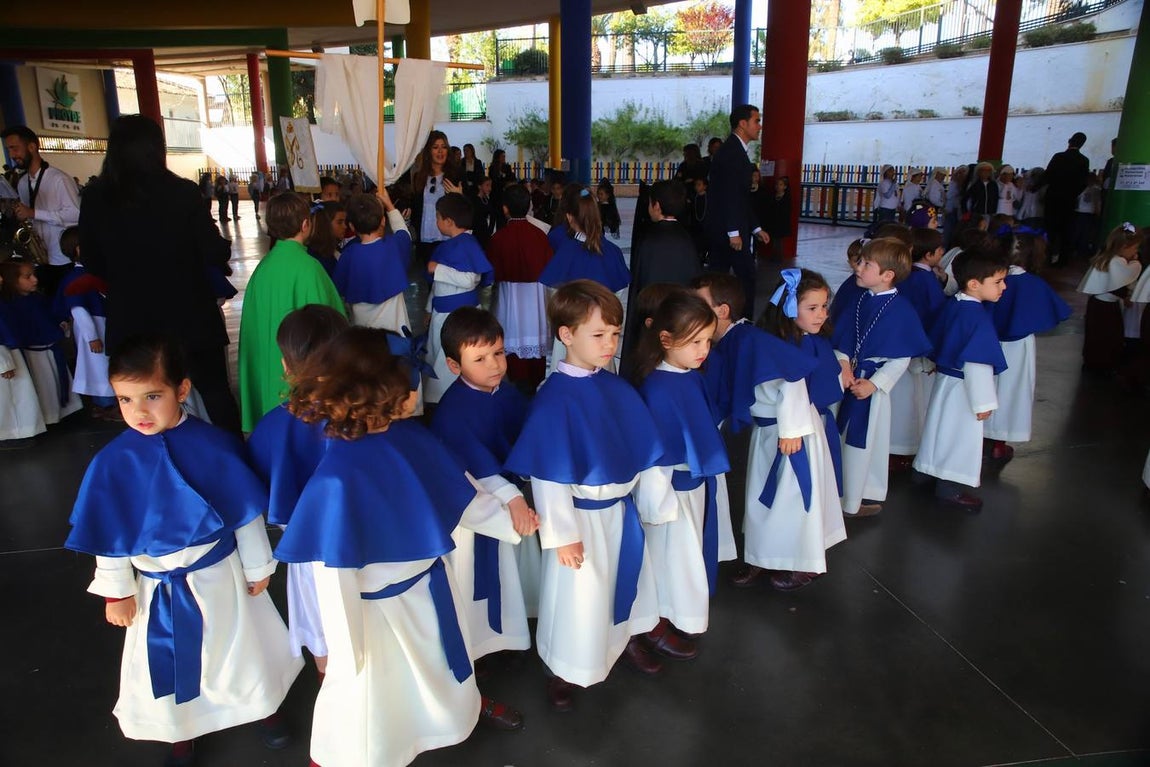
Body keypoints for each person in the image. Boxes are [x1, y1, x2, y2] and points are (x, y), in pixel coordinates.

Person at [274, 328, 522, 765]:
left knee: (441, 668)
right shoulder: (336, 479)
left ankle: (457, 714)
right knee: (372, 697)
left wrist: (512, 522)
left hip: (429, 588)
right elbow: (333, 574)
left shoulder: (410, 439)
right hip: (374, 614)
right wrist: (348, 649)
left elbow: (458, 493)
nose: (411, 394)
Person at [64, 335, 302, 767]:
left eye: (152, 396)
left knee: (240, 648)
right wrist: (118, 590)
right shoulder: (114, 463)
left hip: (220, 575)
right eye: (125, 399)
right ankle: (181, 727)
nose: (138, 411)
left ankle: (261, 707)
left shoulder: (214, 445)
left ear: (182, 390)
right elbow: (111, 533)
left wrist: (257, 565)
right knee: (171, 659)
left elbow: (243, 512)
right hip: (158, 587)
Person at [503, 280, 673, 711]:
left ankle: (623, 638)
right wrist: (562, 535)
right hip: (580, 520)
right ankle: (567, 665)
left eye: (615, 334)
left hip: (620, 512)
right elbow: (548, 476)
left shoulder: (615, 387)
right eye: (598, 335)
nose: (609, 344)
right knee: (580, 595)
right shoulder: (553, 400)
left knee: (626, 580)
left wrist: (649, 503)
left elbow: (644, 451)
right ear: (566, 335)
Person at [80, 115, 241, 432]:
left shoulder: (97, 198)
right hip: (189, 314)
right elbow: (214, 251)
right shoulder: (181, 192)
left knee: (142, 403)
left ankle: (158, 471)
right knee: (214, 394)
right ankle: (234, 464)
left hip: (132, 319)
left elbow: (92, 261)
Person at [430, 308, 539, 687]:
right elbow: (470, 466)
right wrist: (513, 498)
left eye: (498, 352)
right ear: (453, 365)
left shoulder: (506, 393)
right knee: (483, 579)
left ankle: (517, 622)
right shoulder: (452, 411)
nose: (494, 365)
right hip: (481, 512)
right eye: (479, 358)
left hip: (515, 498)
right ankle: (486, 642)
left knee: (518, 576)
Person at [632, 290, 733, 655]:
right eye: (695, 342)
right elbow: (657, 456)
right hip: (670, 495)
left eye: (707, 340)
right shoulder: (659, 388)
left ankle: (679, 614)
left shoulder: (690, 376)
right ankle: (663, 618)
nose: (703, 350)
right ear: (666, 339)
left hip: (692, 486)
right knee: (671, 558)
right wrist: (657, 506)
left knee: (687, 555)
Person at [751, 269, 848, 591]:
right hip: (773, 432)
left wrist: (791, 430)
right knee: (766, 498)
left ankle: (804, 561)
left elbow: (797, 390)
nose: (822, 314)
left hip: (797, 435)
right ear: (790, 308)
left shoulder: (810, 344)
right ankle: (764, 554)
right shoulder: (778, 343)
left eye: (824, 307)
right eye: (813, 308)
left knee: (793, 500)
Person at [831, 238, 931, 518]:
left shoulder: (901, 310)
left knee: (862, 445)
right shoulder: (859, 300)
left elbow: (900, 358)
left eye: (866, 264)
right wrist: (843, 364)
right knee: (839, 441)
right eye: (860, 262)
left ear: (888, 275)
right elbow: (842, 339)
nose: (858, 268)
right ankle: (835, 495)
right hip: (848, 382)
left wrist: (874, 384)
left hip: (871, 389)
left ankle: (852, 499)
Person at [238, 192, 345, 432]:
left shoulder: (261, 270)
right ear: (306, 224)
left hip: (269, 368)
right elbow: (329, 327)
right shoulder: (310, 269)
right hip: (298, 374)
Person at [913, 248, 1009, 510]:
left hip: (946, 381)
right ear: (974, 284)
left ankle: (926, 470)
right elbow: (977, 364)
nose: (1004, 286)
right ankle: (950, 488)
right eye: (998, 281)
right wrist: (983, 403)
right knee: (959, 436)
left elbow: (937, 336)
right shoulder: (978, 318)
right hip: (965, 388)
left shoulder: (954, 303)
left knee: (938, 429)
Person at [984, 232, 1071, 465]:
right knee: (1012, 391)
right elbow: (1058, 312)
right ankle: (999, 443)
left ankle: (980, 437)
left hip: (986, 342)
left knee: (983, 387)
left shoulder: (988, 277)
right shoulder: (1033, 284)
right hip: (1018, 347)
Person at [538, 189, 630, 373]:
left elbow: (551, 295)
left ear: (570, 217)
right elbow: (621, 298)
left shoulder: (566, 252)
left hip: (571, 333)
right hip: (603, 332)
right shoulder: (612, 251)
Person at [424, 193, 494, 403]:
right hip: (441, 311)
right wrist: (429, 308)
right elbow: (438, 286)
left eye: (437, 217)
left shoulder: (468, 244)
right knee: (438, 353)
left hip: (461, 315)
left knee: (453, 359)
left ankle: (453, 397)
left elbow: (471, 279)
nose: (436, 222)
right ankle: (440, 399)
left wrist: (439, 269)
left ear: (449, 222)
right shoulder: (448, 245)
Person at [887, 227, 948, 469]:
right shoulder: (926, 281)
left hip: (898, 347)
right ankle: (905, 449)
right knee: (915, 401)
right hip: (920, 350)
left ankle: (893, 448)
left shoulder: (904, 277)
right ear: (930, 254)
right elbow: (935, 317)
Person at [623, 180, 702, 364]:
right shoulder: (686, 238)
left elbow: (640, 286)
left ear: (656, 205)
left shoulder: (649, 240)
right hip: (682, 321)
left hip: (652, 323)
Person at [1, 125, 82, 298]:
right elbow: (27, 218)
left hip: (61, 258)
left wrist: (33, 213)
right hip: (39, 258)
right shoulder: (22, 183)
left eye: (15, 148)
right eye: (9, 149)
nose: (12, 155)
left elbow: (75, 214)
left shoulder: (59, 179)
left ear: (32, 146)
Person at [485, 184, 553, 388]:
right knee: (535, 341)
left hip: (510, 298)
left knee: (512, 338)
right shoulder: (540, 235)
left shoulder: (498, 238)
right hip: (535, 301)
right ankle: (534, 385)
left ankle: (516, 383)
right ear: (529, 206)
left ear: (505, 208)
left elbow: (490, 273)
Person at [705, 105, 769, 320]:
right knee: (744, 277)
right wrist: (734, 232)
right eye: (756, 121)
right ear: (743, 124)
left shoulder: (736, 151)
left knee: (719, 276)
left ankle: (718, 318)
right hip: (729, 231)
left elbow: (741, 198)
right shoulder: (732, 153)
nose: (759, 126)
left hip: (731, 228)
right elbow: (729, 195)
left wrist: (756, 227)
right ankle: (743, 322)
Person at [0, 260, 82, 425]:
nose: (35, 280)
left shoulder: (37, 299)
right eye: (28, 277)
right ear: (11, 280)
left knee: (56, 383)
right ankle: (50, 417)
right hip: (32, 354)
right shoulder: (8, 307)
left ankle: (64, 411)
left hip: (50, 348)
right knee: (44, 388)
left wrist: (60, 323)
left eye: (34, 275)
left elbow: (52, 314)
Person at [54, 226, 115, 415]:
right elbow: (78, 309)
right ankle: (106, 404)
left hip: (100, 323)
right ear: (79, 249)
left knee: (104, 363)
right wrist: (92, 337)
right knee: (99, 365)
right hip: (93, 326)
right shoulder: (76, 278)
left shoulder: (89, 273)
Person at [333, 190, 410, 332]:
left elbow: (339, 289)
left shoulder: (348, 256)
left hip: (364, 335)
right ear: (383, 221)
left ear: (352, 226)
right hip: (396, 334)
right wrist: (389, 205)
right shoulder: (393, 246)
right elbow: (403, 232)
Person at [1078, 223, 1144, 372]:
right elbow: (1119, 283)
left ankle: (1093, 361)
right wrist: (1135, 262)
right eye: (1134, 248)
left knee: (1096, 335)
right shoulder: (1117, 262)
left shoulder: (1106, 258)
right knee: (1108, 336)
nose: (1136, 251)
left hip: (1097, 304)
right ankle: (1103, 364)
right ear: (1124, 246)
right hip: (1106, 308)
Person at [0, 267, 46, 441]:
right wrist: (3, 362)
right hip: (4, 355)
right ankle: (12, 434)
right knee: (11, 398)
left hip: (9, 353)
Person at [411, 130, 463, 264]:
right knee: (429, 278)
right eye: (435, 147)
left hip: (448, 238)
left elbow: (468, 208)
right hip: (425, 239)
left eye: (443, 147)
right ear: (429, 151)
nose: (440, 151)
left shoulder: (456, 175)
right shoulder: (419, 177)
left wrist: (460, 196)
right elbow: (416, 208)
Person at [1045, 131, 1091, 265]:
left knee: (1051, 229)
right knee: (1066, 231)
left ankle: (1047, 256)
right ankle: (1063, 260)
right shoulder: (1084, 160)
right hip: (1069, 200)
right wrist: (1073, 193)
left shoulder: (1059, 157)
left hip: (1053, 198)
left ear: (1069, 141)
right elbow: (1083, 182)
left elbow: (1048, 175)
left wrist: (1034, 188)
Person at [829, 237, 868, 326]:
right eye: (857, 261)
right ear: (849, 263)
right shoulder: (850, 285)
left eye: (867, 263)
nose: (860, 266)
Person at [306, 200, 346, 279]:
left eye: (345, 222)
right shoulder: (316, 258)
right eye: (339, 222)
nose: (345, 226)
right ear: (326, 224)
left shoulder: (336, 249)